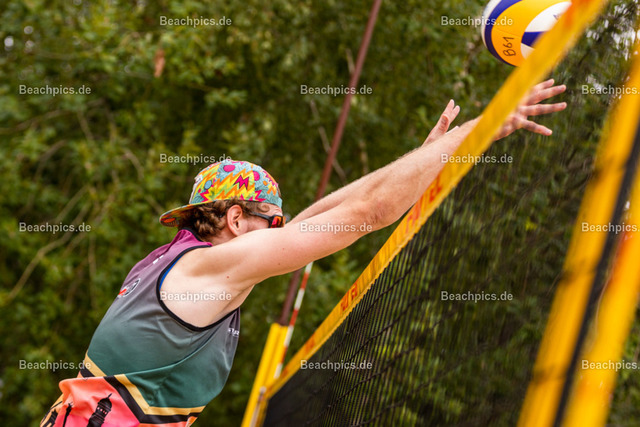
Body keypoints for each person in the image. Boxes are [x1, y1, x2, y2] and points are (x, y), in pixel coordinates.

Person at [41, 79, 566, 426]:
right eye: (273, 222)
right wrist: (484, 126)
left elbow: (314, 221)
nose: (283, 231)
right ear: (235, 220)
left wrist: (425, 158)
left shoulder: (177, 262)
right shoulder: (215, 267)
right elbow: (367, 212)